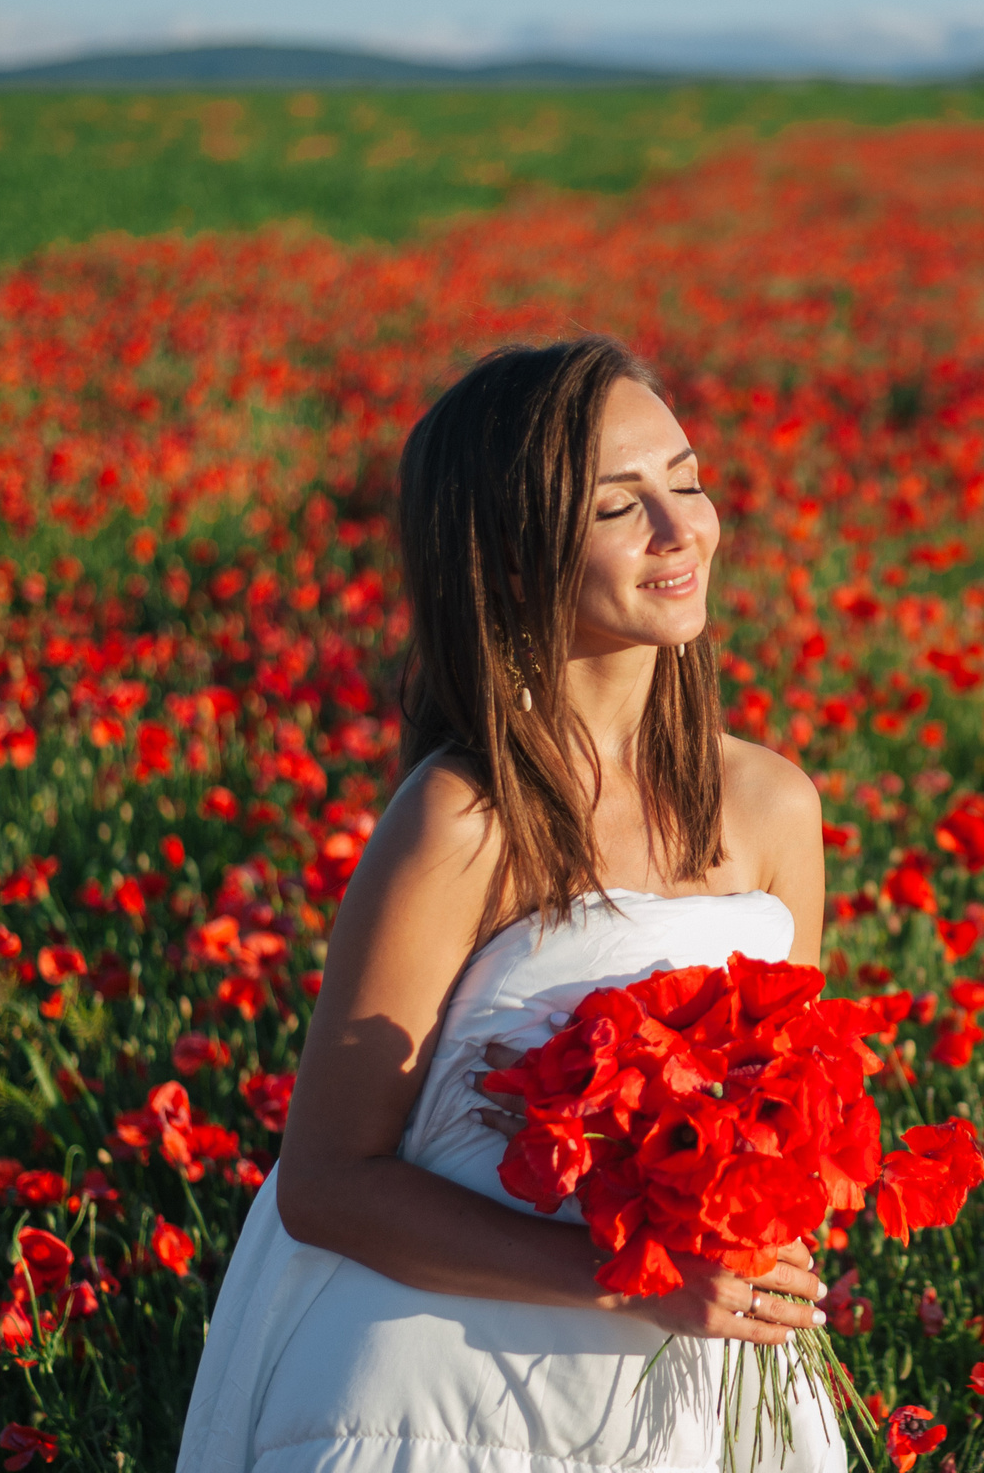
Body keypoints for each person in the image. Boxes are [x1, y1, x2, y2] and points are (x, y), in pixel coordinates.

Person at [177, 339, 845, 1473]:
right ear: (514, 560)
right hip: (445, 1383)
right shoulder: (465, 819)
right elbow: (328, 1183)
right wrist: (626, 1277)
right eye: (618, 507)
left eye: (686, 481)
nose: (682, 530)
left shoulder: (774, 805)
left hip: (694, 1383)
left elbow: (793, 1118)